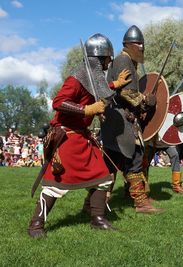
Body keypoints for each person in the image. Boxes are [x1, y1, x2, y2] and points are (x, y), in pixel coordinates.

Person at [27, 33, 116, 238]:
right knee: (55, 185)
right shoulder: (76, 78)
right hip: (67, 137)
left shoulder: (95, 77)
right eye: (107, 57)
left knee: (103, 177)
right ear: (99, 57)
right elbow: (58, 102)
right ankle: (36, 225)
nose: (109, 61)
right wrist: (87, 110)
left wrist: (113, 88)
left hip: (83, 137)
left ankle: (98, 219)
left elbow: (101, 91)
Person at [101, 25, 162, 214]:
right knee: (134, 158)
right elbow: (126, 92)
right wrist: (145, 101)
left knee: (112, 162)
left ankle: (95, 203)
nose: (141, 47)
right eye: (138, 43)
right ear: (128, 44)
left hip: (117, 119)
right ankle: (140, 203)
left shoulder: (126, 61)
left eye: (142, 43)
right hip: (121, 120)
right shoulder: (123, 60)